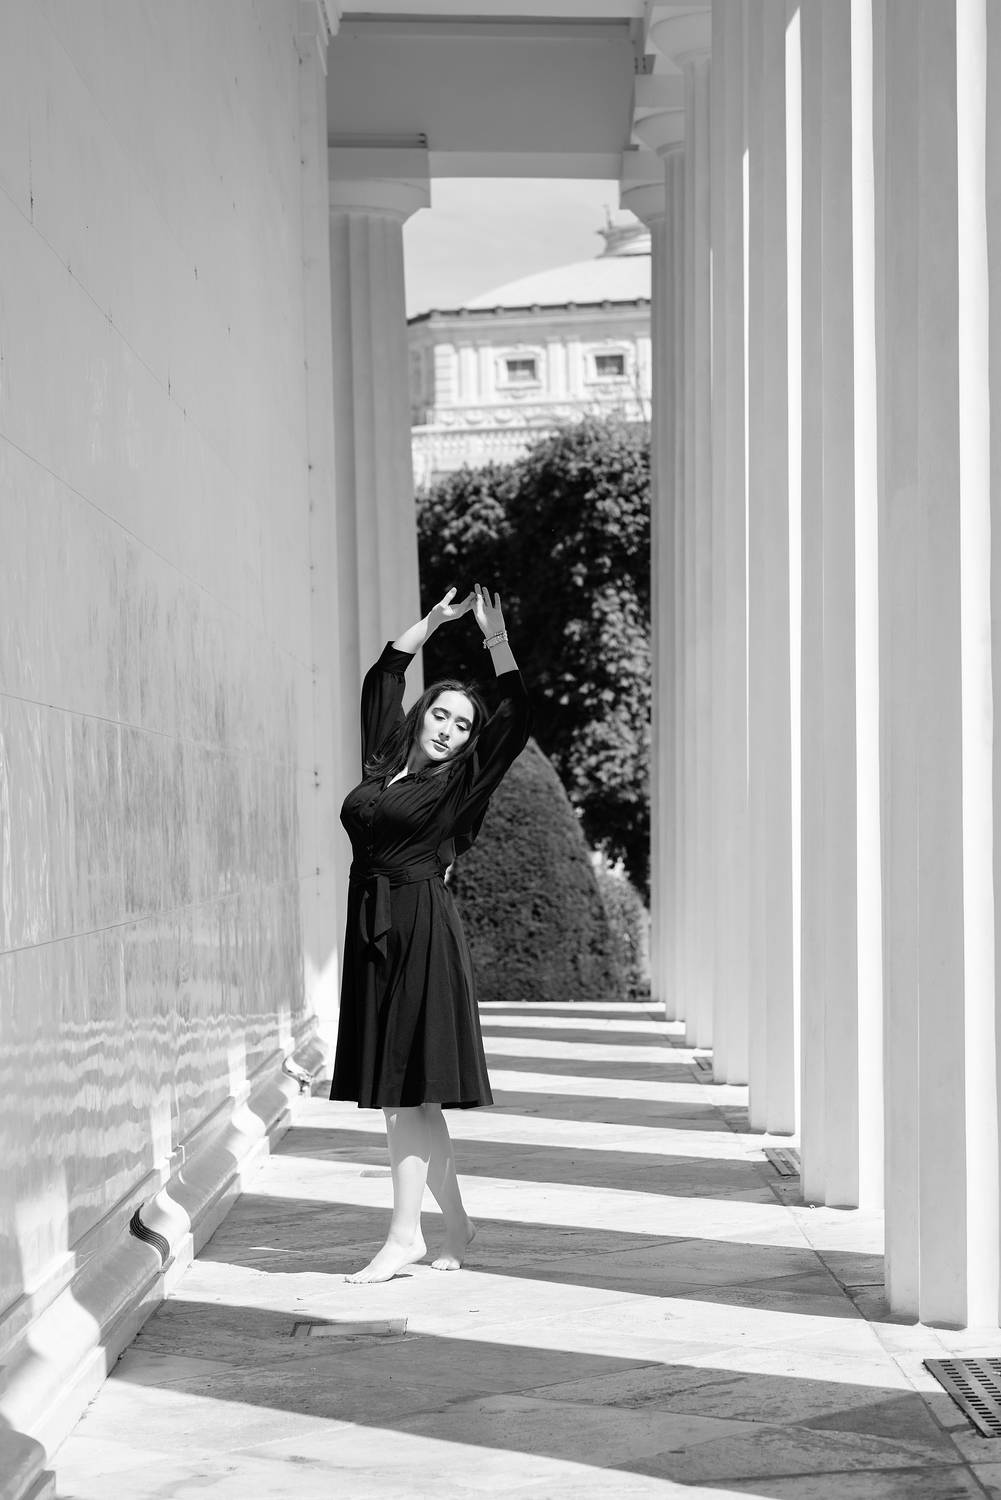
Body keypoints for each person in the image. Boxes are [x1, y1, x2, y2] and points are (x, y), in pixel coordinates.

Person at [330, 582, 530, 1283]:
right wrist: (433, 622)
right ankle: (457, 1226)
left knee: (403, 1099)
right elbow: (383, 677)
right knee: (410, 1099)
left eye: (461, 726)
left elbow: (516, 718)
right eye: (440, 715)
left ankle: (403, 1236)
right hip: (372, 924)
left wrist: (494, 639)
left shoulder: (457, 783)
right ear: (422, 717)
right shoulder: (384, 762)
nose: (447, 730)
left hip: (419, 927)